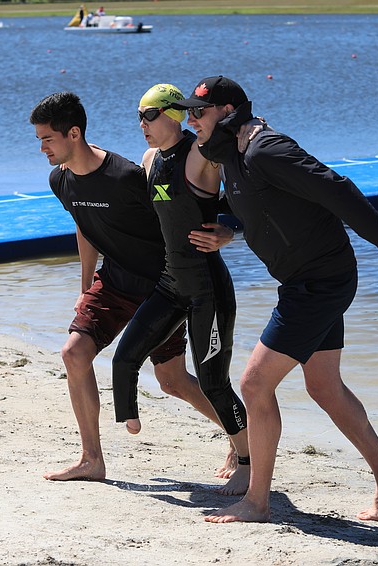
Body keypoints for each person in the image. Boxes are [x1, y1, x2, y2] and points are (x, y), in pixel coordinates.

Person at [170, 76, 378, 523]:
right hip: (307, 279)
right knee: (323, 385)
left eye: (198, 112)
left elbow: (338, 191)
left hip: (319, 282)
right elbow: (268, 209)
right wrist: (232, 230)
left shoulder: (268, 149)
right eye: (188, 113)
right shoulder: (233, 155)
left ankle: (257, 501)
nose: (190, 122)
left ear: (227, 113)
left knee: (253, 384)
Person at [29, 92, 239, 482]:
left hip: (159, 285)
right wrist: (86, 281)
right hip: (113, 281)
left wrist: (224, 232)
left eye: (47, 139)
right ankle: (91, 459)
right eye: (39, 140)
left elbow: (178, 213)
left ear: (73, 133)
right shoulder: (60, 179)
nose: (41, 148)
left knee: (173, 381)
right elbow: (84, 226)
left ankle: (237, 435)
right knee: (74, 354)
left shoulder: (126, 176)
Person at [110, 84, 250, 494]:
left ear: (173, 115)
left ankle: (248, 459)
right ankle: (130, 421)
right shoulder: (151, 159)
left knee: (214, 383)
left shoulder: (203, 153)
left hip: (208, 288)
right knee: (124, 359)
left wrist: (231, 229)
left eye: (149, 115)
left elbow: (247, 198)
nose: (142, 125)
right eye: (138, 115)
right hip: (172, 284)